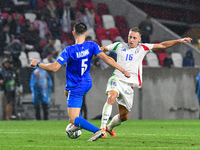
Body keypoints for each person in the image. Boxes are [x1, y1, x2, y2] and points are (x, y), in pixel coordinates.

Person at [29, 22, 130, 141]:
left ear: (73, 33)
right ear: (86, 33)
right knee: (66, 92)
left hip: (76, 86)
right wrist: (123, 70)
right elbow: (107, 58)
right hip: (86, 82)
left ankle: (97, 130)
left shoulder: (69, 50)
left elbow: (55, 67)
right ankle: (78, 124)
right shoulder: (92, 45)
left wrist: (38, 63)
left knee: (72, 118)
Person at [99, 27, 192, 138]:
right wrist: (94, 51)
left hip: (129, 86)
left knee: (124, 116)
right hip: (117, 79)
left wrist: (179, 41)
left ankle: (109, 128)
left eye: (134, 38)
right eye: (130, 37)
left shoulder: (143, 48)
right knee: (111, 97)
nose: (131, 40)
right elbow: (104, 48)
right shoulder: (119, 45)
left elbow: (162, 45)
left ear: (139, 39)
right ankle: (102, 129)